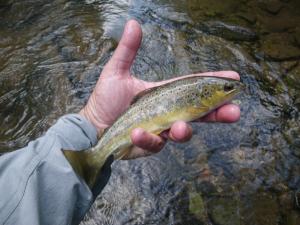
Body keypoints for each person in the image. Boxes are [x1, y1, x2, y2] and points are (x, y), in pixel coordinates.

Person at [0, 20, 240, 225]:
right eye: (227, 89)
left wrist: (90, 123)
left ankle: (91, 158)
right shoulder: (200, 98)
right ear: (205, 96)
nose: (232, 90)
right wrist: (93, 125)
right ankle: (92, 159)